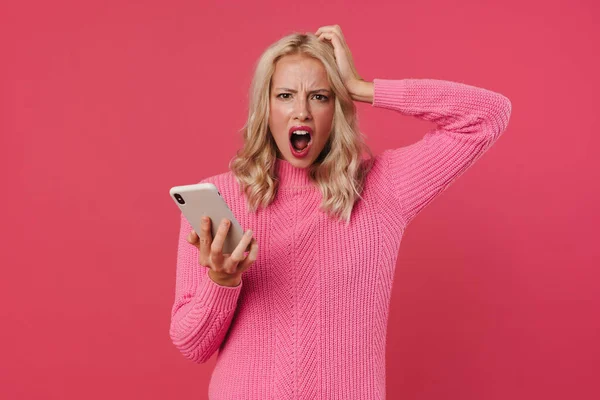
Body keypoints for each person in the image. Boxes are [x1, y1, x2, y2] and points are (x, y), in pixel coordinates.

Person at [169, 25, 512, 400]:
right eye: (285, 95)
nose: (301, 111)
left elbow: (487, 115)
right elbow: (191, 345)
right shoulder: (220, 199)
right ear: (265, 107)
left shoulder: (383, 188)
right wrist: (221, 281)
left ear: (338, 106)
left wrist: (364, 87)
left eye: (320, 96)